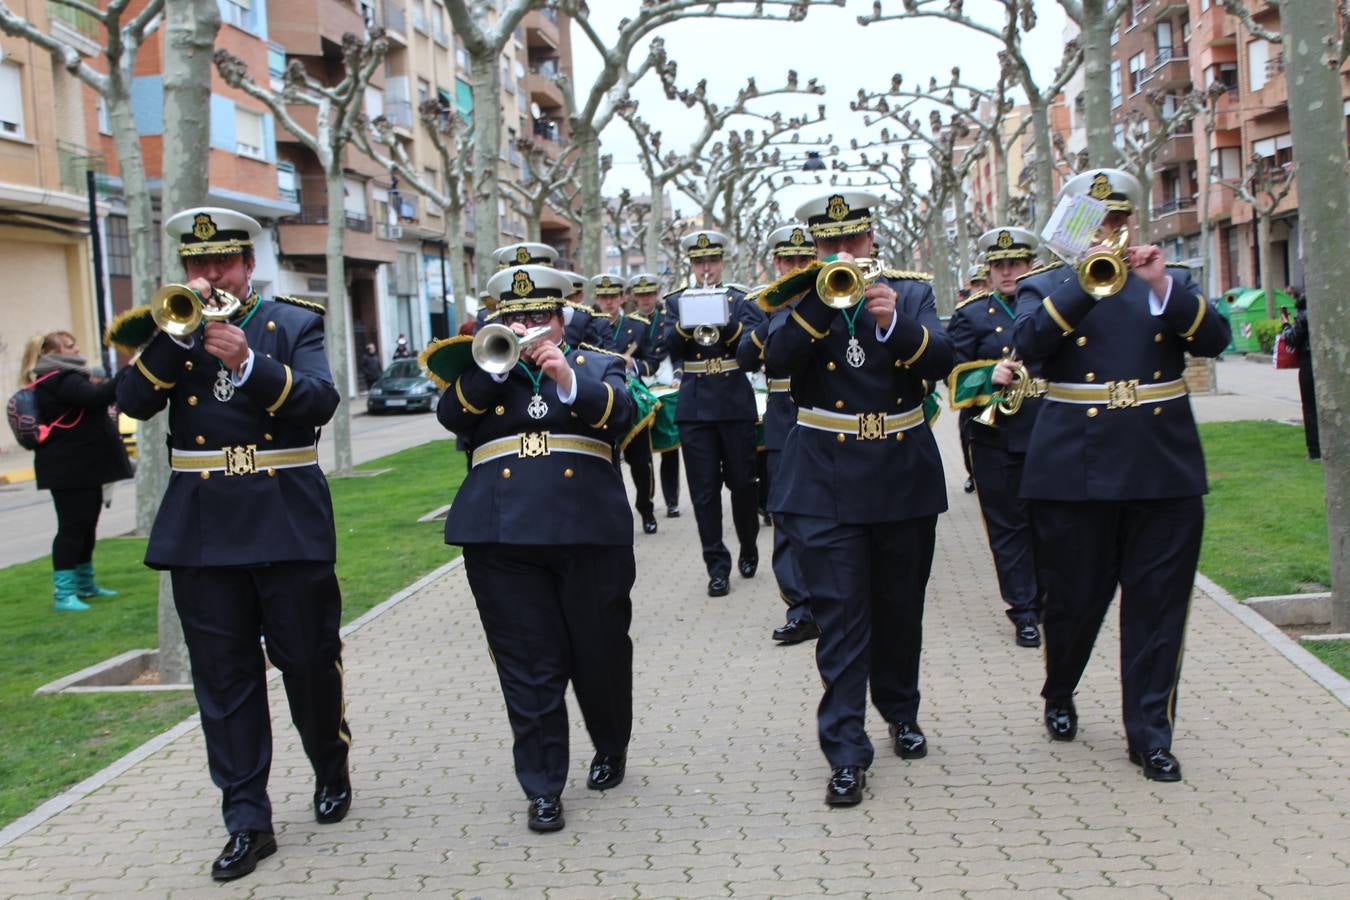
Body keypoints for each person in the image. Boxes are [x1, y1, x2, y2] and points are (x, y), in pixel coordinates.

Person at [113, 206, 352, 881]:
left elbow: (318, 402)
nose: (210, 274)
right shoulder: (167, 327)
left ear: (249, 264)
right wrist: (172, 337)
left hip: (285, 517)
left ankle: (329, 761)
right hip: (203, 528)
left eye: (222, 262)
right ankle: (247, 819)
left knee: (306, 660)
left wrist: (248, 363)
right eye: (197, 264)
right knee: (224, 680)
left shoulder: (293, 323)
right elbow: (132, 400)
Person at [1013, 170, 1231, 783]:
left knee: (1159, 607)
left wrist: (1160, 283)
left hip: (1161, 464)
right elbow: (1030, 345)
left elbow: (1215, 340)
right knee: (1075, 601)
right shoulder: (1047, 287)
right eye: (1094, 221)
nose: (1106, 232)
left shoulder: (1169, 283)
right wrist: (1086, 286)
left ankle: (1150, 732)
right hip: (1073, 469)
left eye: (1114, 220)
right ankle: (1060, 689)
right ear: (1073, 226)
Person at [427, 264, 636, 833]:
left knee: (600, 653)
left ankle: (611, 742)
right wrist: (494, 369)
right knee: (528, 665)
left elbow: (629, 414)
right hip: (501, 537)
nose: (526, 326)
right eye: (514, 317)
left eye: (538, 316)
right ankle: (543, 787)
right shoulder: (484, 369)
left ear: (561, 317)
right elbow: (450, 416)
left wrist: (567, 377)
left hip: (588, 532)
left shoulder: (599, 364)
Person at [763, 191, 953, 807]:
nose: (843, 253)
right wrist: (819, 301)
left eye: (853, 242)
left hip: (900, 470)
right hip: (824, 476)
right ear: (814, 247)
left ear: (872, 240)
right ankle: (846, 751)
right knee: (842, 621)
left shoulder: (910, 291)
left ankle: (900, 710)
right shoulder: (797, 296)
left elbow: (944, 361)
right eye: (829, 245)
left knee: (899, 611)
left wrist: (891, 323)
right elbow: (774, 360)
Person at [946, 227, 1046, 649]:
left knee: (1048, 524)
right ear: (988, 270)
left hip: (1047, 431)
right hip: (994, 436)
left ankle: (1046, 600)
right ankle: (1022, 610)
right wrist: (990, 375)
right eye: (1000, 266)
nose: (1008, 273)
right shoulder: (971, 315)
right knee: (1007, 528)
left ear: (1030, 265)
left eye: (1016, 264)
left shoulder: (1051, 305)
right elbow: (951, 379)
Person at [661, 230, 765, 597]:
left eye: (712, 261)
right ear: (691, 264)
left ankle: (749, 544)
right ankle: (716, 567)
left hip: (734, 400)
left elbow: (754, 345)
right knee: (703, 492)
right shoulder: (676, 302)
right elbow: (668, 347)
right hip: (695, 406)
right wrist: (686, 323)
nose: (706, 268)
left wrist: (727, 321)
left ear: (722, 262)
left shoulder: (739, 299)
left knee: (742, 484)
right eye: (699, 262)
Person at [736, 223, 818, 645]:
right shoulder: (760, 305)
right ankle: (800, 608)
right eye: (789, 261)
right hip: (785, 414)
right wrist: (775, 317)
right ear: (776, 263)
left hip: (827, 414)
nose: (797, 267)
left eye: (805, 260)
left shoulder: (834, 292)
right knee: (786, 512)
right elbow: (744, 357)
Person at [21, 331, 133, 612]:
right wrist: (127, 372)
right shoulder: (62, 378)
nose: (77, 349)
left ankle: (85, 584)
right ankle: (64, 593)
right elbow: (96, 398)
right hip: (69, 469)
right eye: (70, 346)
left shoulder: (64, 377)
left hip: (82, 466)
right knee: (72, 529)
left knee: (86, 526)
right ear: (52, 353)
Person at [592, 273, 661, 533]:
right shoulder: (589, 324)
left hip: (633, 400)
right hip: (601, 400)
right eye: (603, 297)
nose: (608, 302)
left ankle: (646, 508)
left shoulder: (638, 326)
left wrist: (635, 364)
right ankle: (616, 514)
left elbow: (652, 361)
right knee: (607, 462)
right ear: (597, 298)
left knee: (641, 461)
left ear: (622, 297)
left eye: (613, 297)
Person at [631, 279, 683, 517]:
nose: (646, 299)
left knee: (670, 447)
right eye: (641, 295)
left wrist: (679, 375)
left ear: (657, 294)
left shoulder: (666, 319)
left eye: (650, 294)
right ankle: (648, 501)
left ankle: (672, 500)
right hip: (641, 385)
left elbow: (679, 350)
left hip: (666, 379)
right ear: (633, 296)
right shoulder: (629, 323)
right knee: (642, 450)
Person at [1280, 291, 1318, 460]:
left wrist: (1285, 325)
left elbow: (1292, 339)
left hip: (1308, 363)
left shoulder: (1303, 316)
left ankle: (1315, 449)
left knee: (1310, 408)